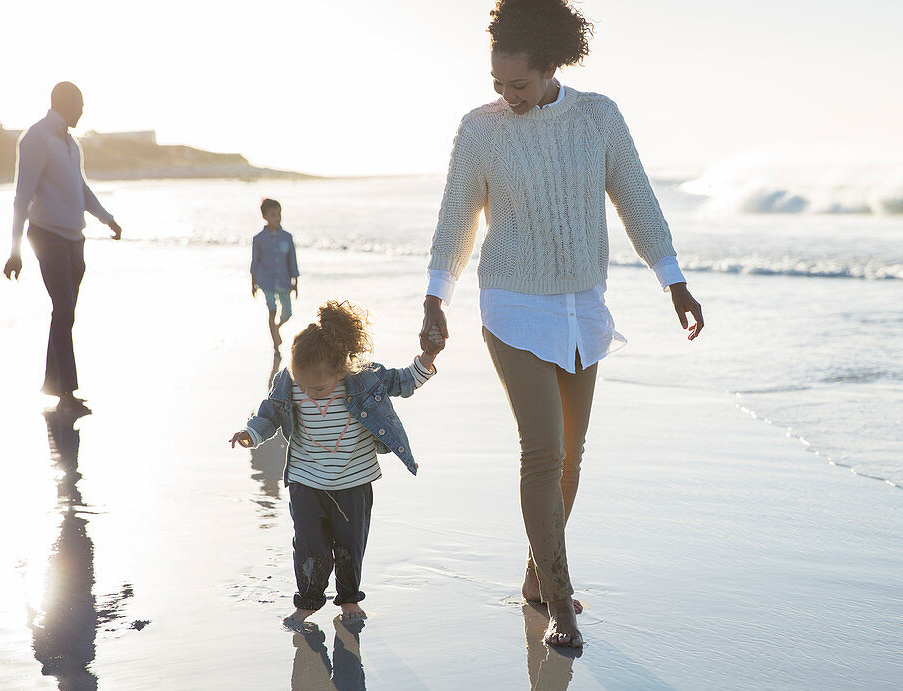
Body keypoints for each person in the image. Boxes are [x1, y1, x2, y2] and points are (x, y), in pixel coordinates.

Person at [420, 0, 705, 648]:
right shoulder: (480, 130)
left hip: (583, 306)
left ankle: (533, 575)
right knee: (542, 450)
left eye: (517, 84)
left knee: (571, 457)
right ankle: (560, 604)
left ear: (552, 64)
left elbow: (637, 199)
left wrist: (675, 283)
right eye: (498, 84)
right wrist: (437, 297)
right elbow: (456, 218)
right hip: (513, 304)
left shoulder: (597, 118)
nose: (507, 96)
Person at [229, 300, 442, 633]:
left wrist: (427, 358)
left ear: (341, 372)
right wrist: (251, 433)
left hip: (354, 480)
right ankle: (308, 603)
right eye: (302, 386)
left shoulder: (363, 378)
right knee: (309, 545)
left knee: (349, 544)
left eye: (318, 389)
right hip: (306, 479)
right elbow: (269, 412)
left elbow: (402, 382)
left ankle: (349, 599)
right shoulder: (290, 380)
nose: (310, 395)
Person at [4, 82, 123, 416]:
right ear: (63, 102)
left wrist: (107, 219)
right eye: (79, 103)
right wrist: (14, 250)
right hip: (48, 237)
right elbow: (21, 195)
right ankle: (66, 393)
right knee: (64, 307)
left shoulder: (71, 143)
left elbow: (80, 189)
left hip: (75, 240)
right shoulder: (35, 138)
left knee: (64, 313)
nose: (83, 110)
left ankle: (54, 384)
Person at [251, 198, 299, 352]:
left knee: (288, 313)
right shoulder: (259, 239)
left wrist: (295, 282)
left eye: (279, 214)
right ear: (265, 216)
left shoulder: (287, 237)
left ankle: (277, 328)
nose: (277, 218)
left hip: (284, 281)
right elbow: (255, 262)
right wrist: (253, 284)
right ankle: (275, 346)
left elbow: (292, 260)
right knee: (272, 310)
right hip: (266, 281)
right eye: (273, 215)